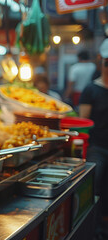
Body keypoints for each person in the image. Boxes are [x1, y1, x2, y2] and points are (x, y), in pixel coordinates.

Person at [79, 39, 108, 240]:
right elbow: (83, 123)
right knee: (94, 188)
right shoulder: (91, 89)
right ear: (102, 62)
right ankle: (94, 229)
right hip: (97, 147)